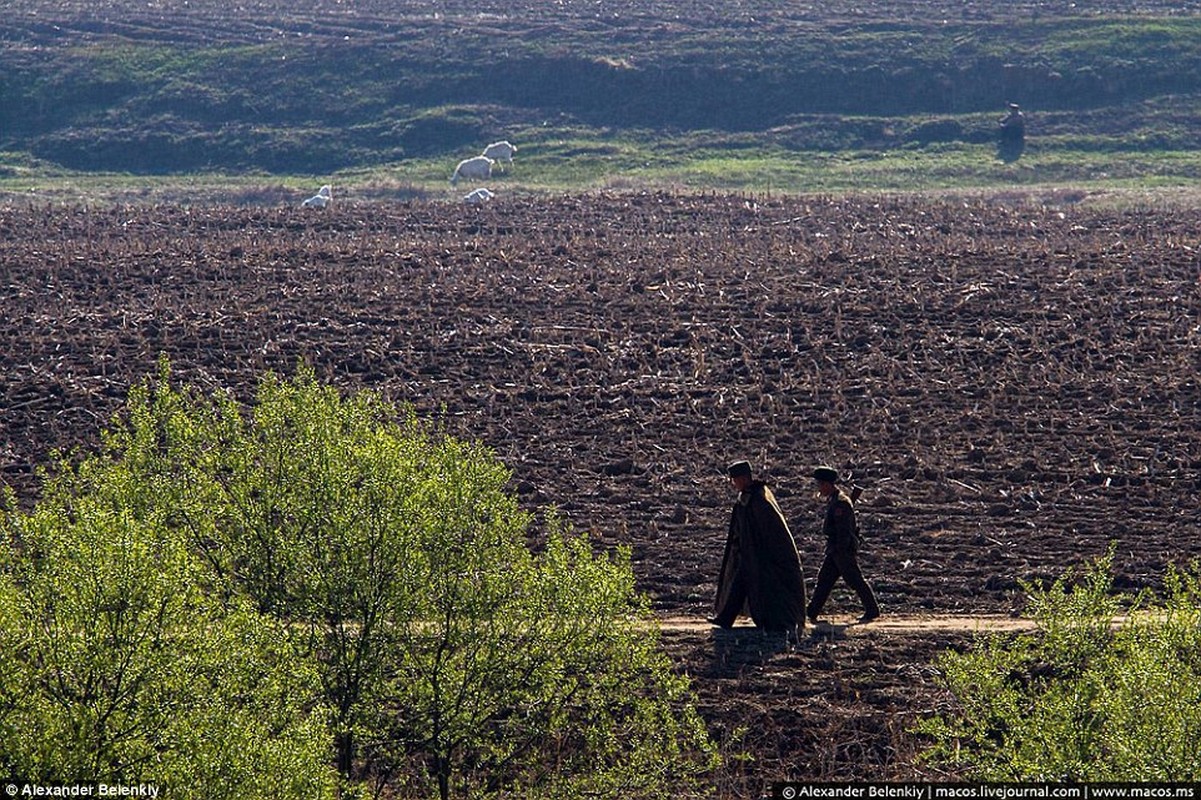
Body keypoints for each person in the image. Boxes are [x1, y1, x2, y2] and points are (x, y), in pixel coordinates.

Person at [711, 461, 807, 636]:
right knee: (739, 584)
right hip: (750, 554)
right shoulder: (749, 497)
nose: (734, 484)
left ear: (744, 478)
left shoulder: (760, 499)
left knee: (759, 587)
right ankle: (725, 618)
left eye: (735, 480)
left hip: (763, 557)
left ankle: (766, 621)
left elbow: (771, 532)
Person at [806, 466, 881, 624]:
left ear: (827, 484)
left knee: (854, 579)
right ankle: (812, 611)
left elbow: (843, 531)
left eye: (820, 484)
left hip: (841, 550)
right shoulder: (836, 500)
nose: (819, 488)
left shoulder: (840, 503)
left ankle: (872, 610)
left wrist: (841, 552)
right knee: (824, 580)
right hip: (835, 550)